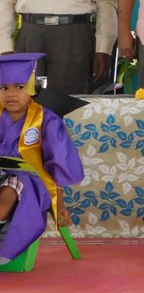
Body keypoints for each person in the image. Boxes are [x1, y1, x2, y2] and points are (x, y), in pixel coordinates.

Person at [0, 53, 85, 265]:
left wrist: (60, 202)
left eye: (19, 87)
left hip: (31, 179)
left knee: (9, 193)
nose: (11, 94)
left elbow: (58, 160)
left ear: (32, 87)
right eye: (3, 88)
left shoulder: (46, 119)